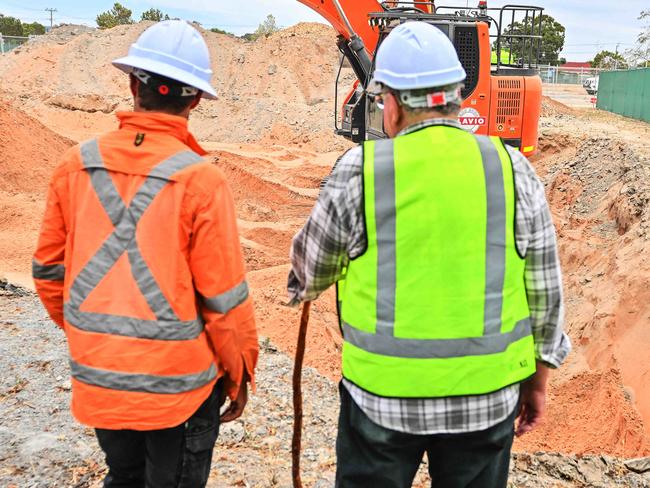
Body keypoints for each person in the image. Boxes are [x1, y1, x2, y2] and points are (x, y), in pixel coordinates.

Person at [288, 22, 570, 487]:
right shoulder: (511, 169)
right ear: (459, 94)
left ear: (391, 103)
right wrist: (539, 377)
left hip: (381, 400)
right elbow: (545, 287)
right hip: (486, 398)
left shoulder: (360, 171)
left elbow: (309, 272)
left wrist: (306, 282)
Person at [32, 20, 258, 488]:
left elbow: (49, 273)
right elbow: (223, 301)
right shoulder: (201, 181)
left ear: (133, 84)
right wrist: (238, 374)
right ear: (196, 99)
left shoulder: (75, 165)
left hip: (102, 381)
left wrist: (100, 339)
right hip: (179, 392)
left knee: (123, 475)